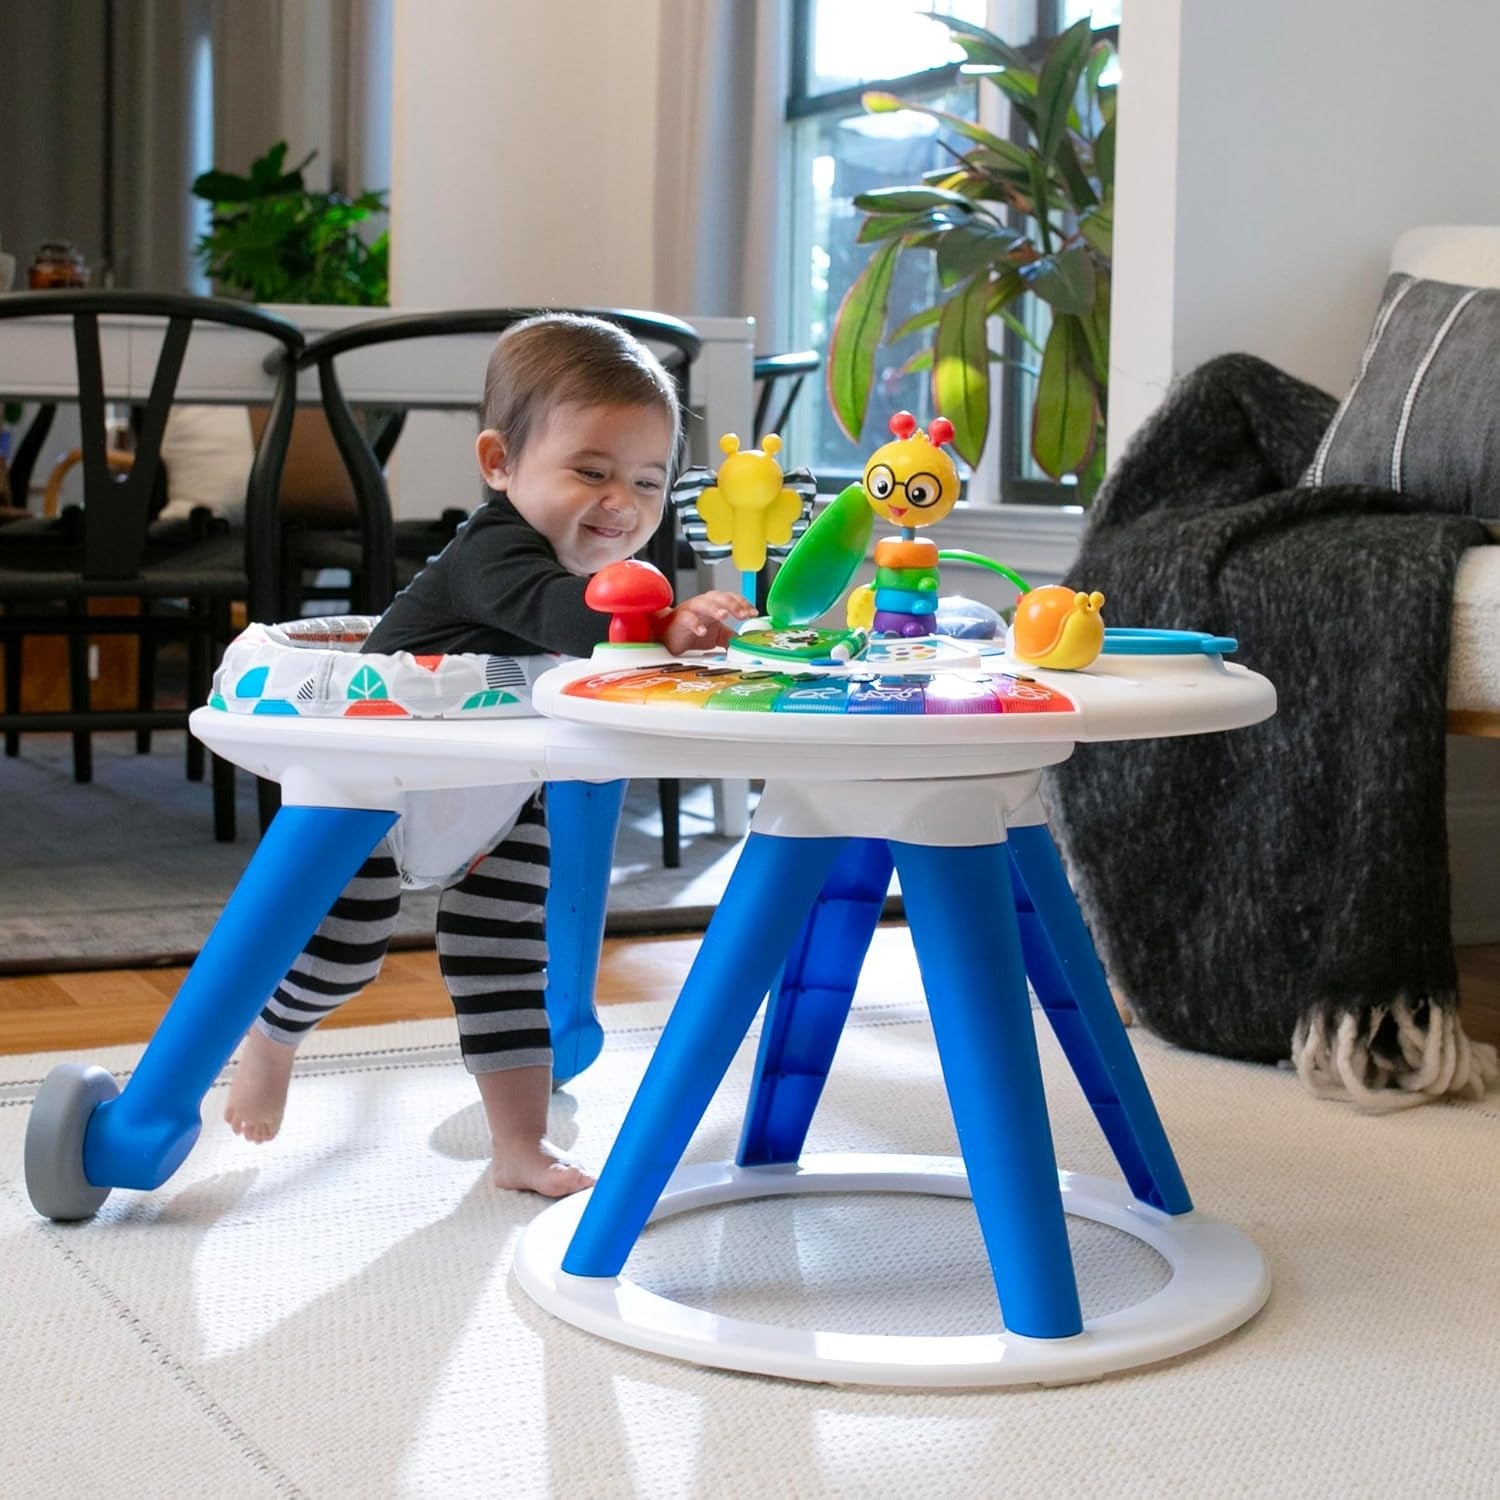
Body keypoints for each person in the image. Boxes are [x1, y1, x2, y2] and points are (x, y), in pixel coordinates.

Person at [223, 313, 755, 1195]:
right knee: (343, 953)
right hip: (376, 787)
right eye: (591, 472)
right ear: (501, 463)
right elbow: (556, 615)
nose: (622, 504)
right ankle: (272, 1037)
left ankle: (519, 1144)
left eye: (649, 482)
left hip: (498, 799)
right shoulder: (493, 551)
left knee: (507, 965)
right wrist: (662, 624)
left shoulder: (598, 567)